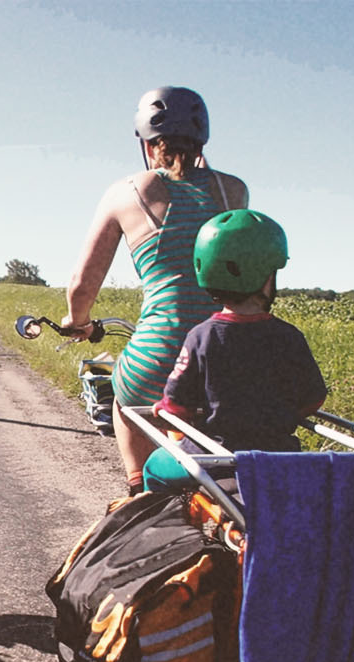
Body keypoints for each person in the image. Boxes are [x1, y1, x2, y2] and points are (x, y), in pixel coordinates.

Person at [61, 87, 249, 495]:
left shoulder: (126, 191)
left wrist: (77, 322)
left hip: (157, 353)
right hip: (230, 355)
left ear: (146, 144)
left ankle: (138, 494)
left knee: (126, 401)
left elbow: (82, 284)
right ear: (202, 140)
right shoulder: (233, 191)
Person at [144, 209, 328, 489]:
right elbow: (313, 398)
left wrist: (165, 409)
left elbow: (176, 406)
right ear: (266, 277)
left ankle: (159, 526)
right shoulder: (290, 337)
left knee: (153, 467)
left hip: (213, 457)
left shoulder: (201, 336)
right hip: (279, 457)